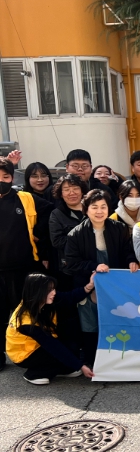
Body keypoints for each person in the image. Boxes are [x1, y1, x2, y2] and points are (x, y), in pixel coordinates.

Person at [64, 189, 138, 367]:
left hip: (115, 287)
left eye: (103, 207)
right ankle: (93, 362)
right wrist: (93, 266)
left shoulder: (119, 228)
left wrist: (131, 261)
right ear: (86, 209)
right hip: (88, 287)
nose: (99, 211)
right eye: (94, 207)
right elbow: (71, 264)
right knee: (90, 324)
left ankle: (120, 362)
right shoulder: (75, 234)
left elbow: (127, 251)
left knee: (117, 322)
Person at [0, 157, 54, 371]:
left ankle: (31, 353)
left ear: (12, 177)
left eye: (5, 177)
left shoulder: (25, 198)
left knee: (26, 313)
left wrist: (39, 234)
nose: (1, 181)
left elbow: (51, 211)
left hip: (24, 268)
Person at [6, 273, 95, 385]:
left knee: (72, 346)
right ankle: (34, 374)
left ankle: (61, 368)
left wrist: (89, 286)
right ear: (38, 292)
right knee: (61, 355)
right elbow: (53, 347)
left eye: (53, 289)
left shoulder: (38, 300)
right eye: (49, 290)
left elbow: (70, 297)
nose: (54, 292)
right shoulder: (26, 322)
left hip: (40, 344)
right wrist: (81, 366)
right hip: (24, 355)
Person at [49, 175, 90, 287]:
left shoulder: (92, 209)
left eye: (76, 188)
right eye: (66, 190)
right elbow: (57, 241)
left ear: (82, 191)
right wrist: (85, 239)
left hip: (95, 264)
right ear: (61, 194)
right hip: (70, 268)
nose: (72, 193)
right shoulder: (57, 214)